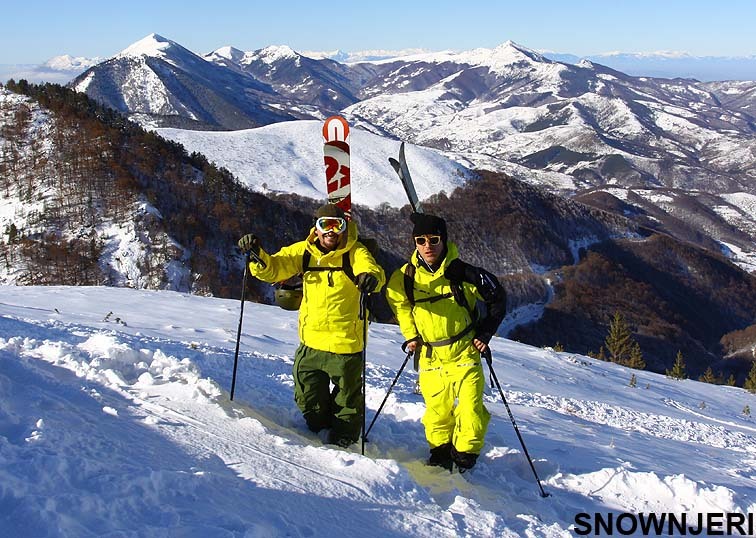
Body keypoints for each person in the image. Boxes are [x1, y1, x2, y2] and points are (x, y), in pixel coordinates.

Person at [237, 203, 385, 448]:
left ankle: (344, 440)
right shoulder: (304, 252)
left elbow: (372, 270)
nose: (331, 232)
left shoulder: (355, 252)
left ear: (344, 228)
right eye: (324, 225)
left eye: (337, 225)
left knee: (347, 400)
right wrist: (256, 255)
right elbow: (274, 269)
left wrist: (370, 278)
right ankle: (320, 428)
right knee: (308, 398)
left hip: (345, 344)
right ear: (315, 228)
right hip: (311, 342)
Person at [386, 212, 506, 471]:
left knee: (471, 409)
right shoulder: (405, 277)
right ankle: (439, 452)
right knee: (437, 411)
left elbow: (498, 299)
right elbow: (400, 305)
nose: (427, 246)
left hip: (464, 352)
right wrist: (411, 335)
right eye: (420, 240)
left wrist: (484, 334)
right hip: (430, 355)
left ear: (444, 240)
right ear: (415, 243)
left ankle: (465, 454)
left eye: (434, 239)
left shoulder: (463, 273)